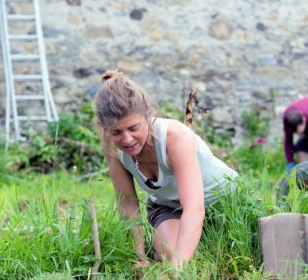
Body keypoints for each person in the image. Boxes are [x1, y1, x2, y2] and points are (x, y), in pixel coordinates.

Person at [95, 70, 237, 269]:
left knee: (183, 259)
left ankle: (199, 243)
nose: (127, 139)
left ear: (147, 114)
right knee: (167, 252)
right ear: (105, 129)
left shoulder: (175, 138)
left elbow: (194, 209)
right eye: (117, 132)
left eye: (134, 128)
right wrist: (140, 257)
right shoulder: (113, 146)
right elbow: (128, 202)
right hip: (171, 206)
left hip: (223, 201)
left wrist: (177, 271)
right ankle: (190, 243)